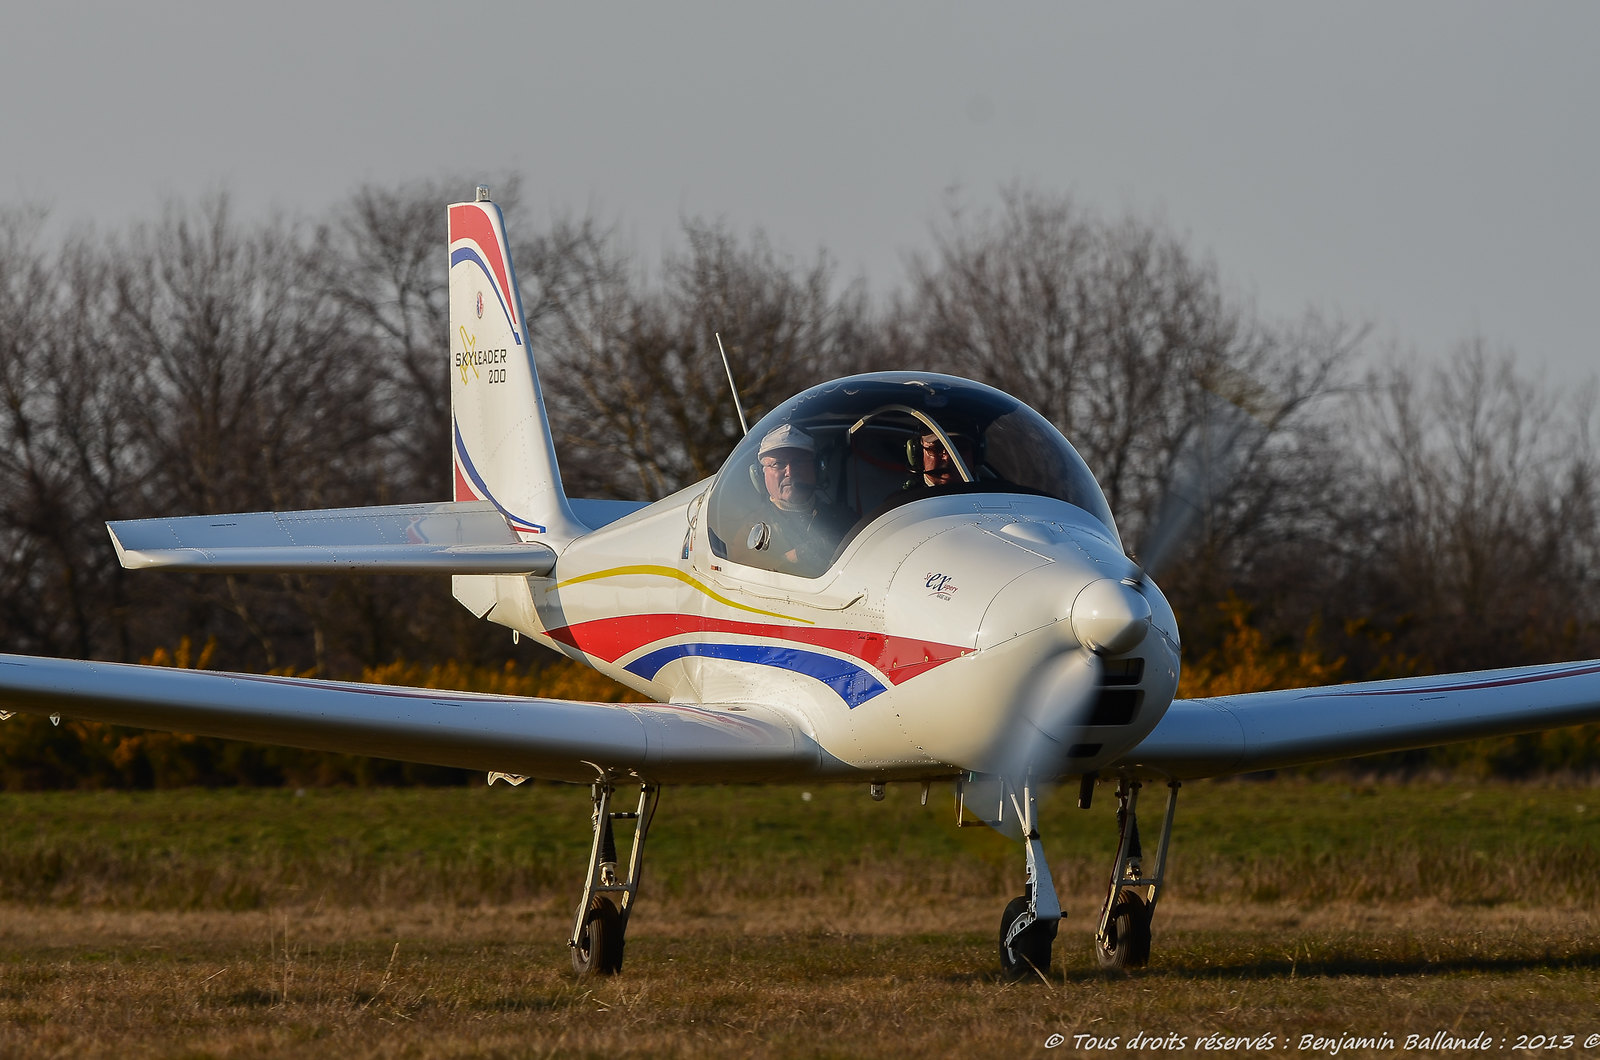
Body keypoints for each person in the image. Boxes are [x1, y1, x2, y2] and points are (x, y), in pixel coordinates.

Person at [746, 424, 851, 575]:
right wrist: (793, 558)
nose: (790, 471)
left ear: (818, 469)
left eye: (799, 462)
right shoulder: (751, 532)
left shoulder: (842, 517)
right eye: (778, 464)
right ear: (760, 475)